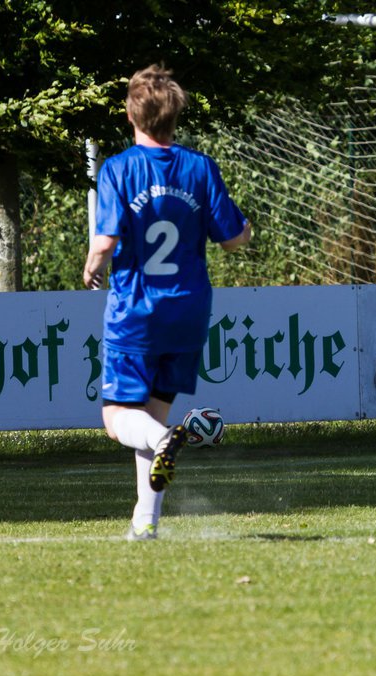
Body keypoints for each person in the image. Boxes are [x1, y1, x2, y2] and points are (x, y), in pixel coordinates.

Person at [82, 64, 252, 541]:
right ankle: (146, 523)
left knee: (119, 421)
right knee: (151, 415)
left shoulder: (118, 168)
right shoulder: (199, 168)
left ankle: (164, 443)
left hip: (137, 313)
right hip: (188, 314)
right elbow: (233, 240)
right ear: (175, 115)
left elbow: (107, 237)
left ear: (132, 114)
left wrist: (93, 264)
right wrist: (247, 229)